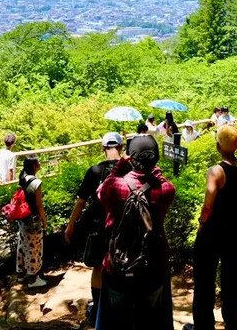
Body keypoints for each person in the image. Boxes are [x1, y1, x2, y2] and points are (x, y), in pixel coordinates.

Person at [96, 135, 176, 330]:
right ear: (155, 160)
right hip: (153, 264)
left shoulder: (114, 185)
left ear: (130, 157)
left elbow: (100, 192)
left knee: (116, 320)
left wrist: (118, 167)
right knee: (152, 319)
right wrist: (155, 172)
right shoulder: (166, 189)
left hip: (118, 264)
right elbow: (161, 181)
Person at [185, 126, 237, 330]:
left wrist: (201, 225)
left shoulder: (216, 171)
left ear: (218, 146)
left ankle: (203, 324)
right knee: (232, 275)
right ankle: (231, 319)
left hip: (213, 233)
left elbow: (208, 206)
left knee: (204, 278)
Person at [64, 133, 127, 325]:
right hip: (123, 226)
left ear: (103, 149)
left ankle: (98, 311)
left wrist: (70, 225)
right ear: (121, 147)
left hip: (98, 227)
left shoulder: (94, 171)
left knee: (99, 267)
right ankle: (120, 310)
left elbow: (81, 201)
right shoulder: (129, 169)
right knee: (122, 266)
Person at [17, 156, 48, 288]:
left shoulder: (22, 178)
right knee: (34, 248)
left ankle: (22, 274)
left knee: (23, 245)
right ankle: (33, 279)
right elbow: (39, 205)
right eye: (38, 162)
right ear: (35, 166)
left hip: (23, 219)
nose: (40, 163)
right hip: (33, 221)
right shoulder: (36, 183)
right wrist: (44, 221)